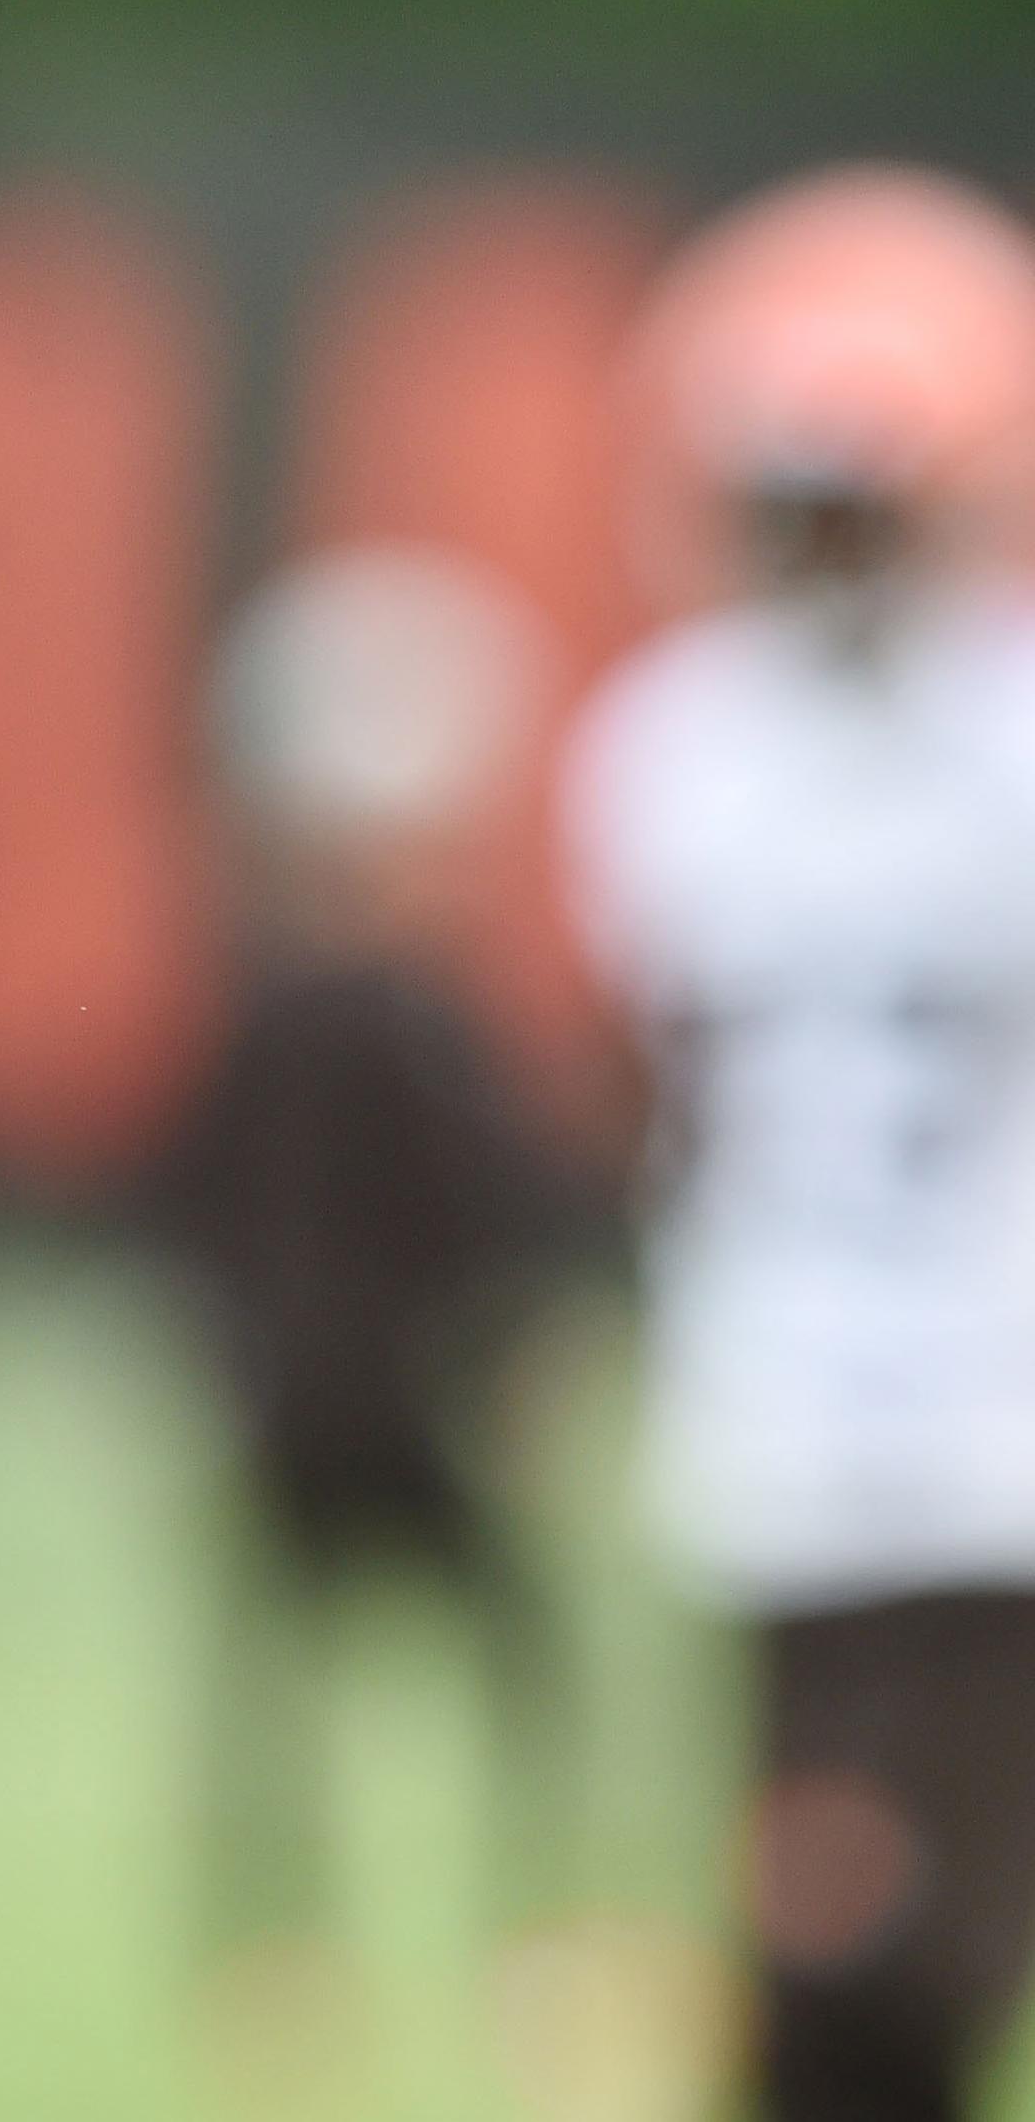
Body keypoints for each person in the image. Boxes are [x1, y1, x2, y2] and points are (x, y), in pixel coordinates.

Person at [562, 166, 1035, 2122]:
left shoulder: (975, 731)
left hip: (993, 1426)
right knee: (824, 1956)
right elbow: (652, 1076)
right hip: (775, 1422)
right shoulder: (673, 742)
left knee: (933, 1944)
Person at [156, 548, 583, 2088]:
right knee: (495, 1671)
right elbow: (505, 1211)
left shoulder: (286, 1008)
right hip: (383, 1401)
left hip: (307, 1396)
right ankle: (509, 1943)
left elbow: (183, 1201)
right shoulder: (399, 1015)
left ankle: (293, 1958)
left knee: (287, 1696)